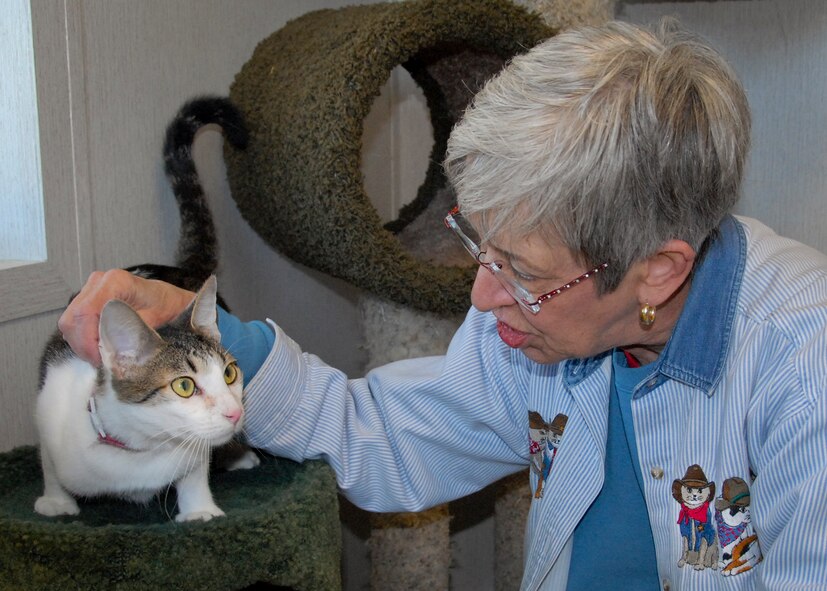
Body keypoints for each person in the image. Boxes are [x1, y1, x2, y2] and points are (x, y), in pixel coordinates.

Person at [58, 19, 827, 590]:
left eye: (519, 269)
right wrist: (212, 338)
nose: (483, 294)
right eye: (478, 245)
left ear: (657, 271)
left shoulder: (804, 360)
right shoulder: (532, 327)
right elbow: (385, 438)